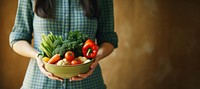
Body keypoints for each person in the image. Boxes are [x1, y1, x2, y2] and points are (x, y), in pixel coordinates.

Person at [9, 0, 118, 89]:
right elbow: (18, 38)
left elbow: (108, 39)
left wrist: (96, 58)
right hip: (39, 83)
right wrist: (38, 56)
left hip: (88, 84)